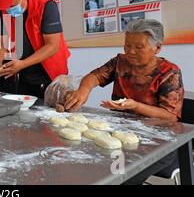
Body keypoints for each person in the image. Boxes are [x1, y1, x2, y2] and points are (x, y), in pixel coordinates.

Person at [64, 19, 184, 185]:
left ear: (157, 48)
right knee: (87, 165)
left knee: (120, 178)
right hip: (118, 132)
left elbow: (170, 116)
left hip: (157, 142)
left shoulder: (169, 72)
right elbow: (95, 76)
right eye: (127, 45)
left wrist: (135, 106)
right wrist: (83, 90)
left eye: (138, 47)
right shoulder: (121, 62)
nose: (130, 51)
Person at [0, 0, 71, 100]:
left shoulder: (46, 6)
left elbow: (53, 45)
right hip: (24, 72)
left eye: (12, 5)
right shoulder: (3, 13)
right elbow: (1, 41)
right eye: (6, 5)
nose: (9, 9)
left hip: (52, 72)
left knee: (53, 111)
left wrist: (22, 63)